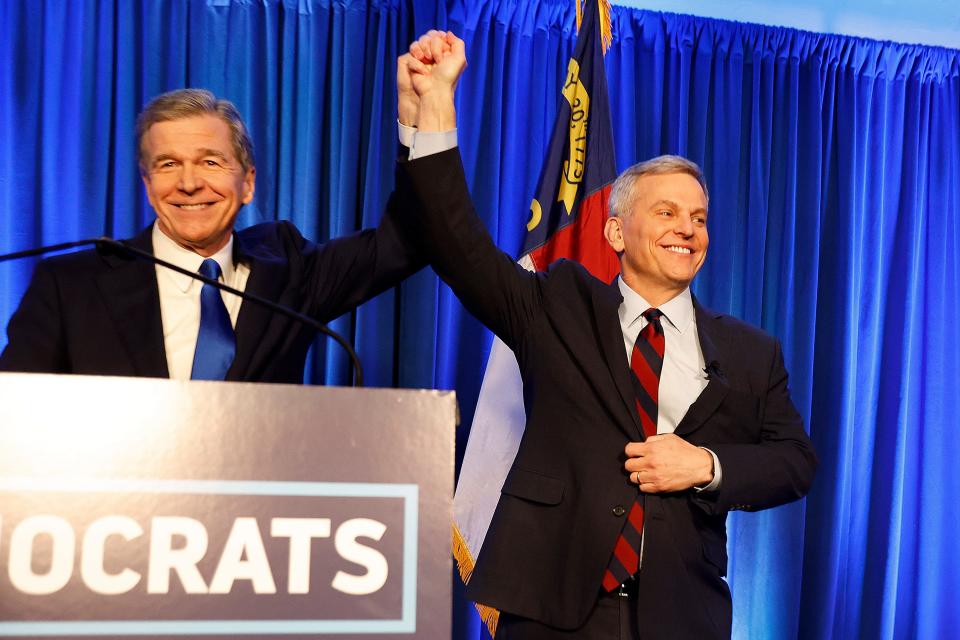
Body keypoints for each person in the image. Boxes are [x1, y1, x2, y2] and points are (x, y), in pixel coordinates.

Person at [400, 32, 818, 639]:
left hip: (681, 614)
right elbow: (454, 242)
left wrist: (705, 464)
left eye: (699, 218)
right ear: (617, 233)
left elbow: (794, 463)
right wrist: (434, 103)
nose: (688, 230)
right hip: (552, 610)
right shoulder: (558, 304)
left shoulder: (752, 352)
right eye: (667, 213)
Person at [0, 86, 428, 382]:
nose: (188, 183)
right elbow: (15, 418)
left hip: (260, 511)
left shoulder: (291, 269)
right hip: (113, 512)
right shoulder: (71, 285)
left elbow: (407, 240)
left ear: (248, 184)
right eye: (168, 164)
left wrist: (418, 119)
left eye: (210, 162)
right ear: (148, 185)